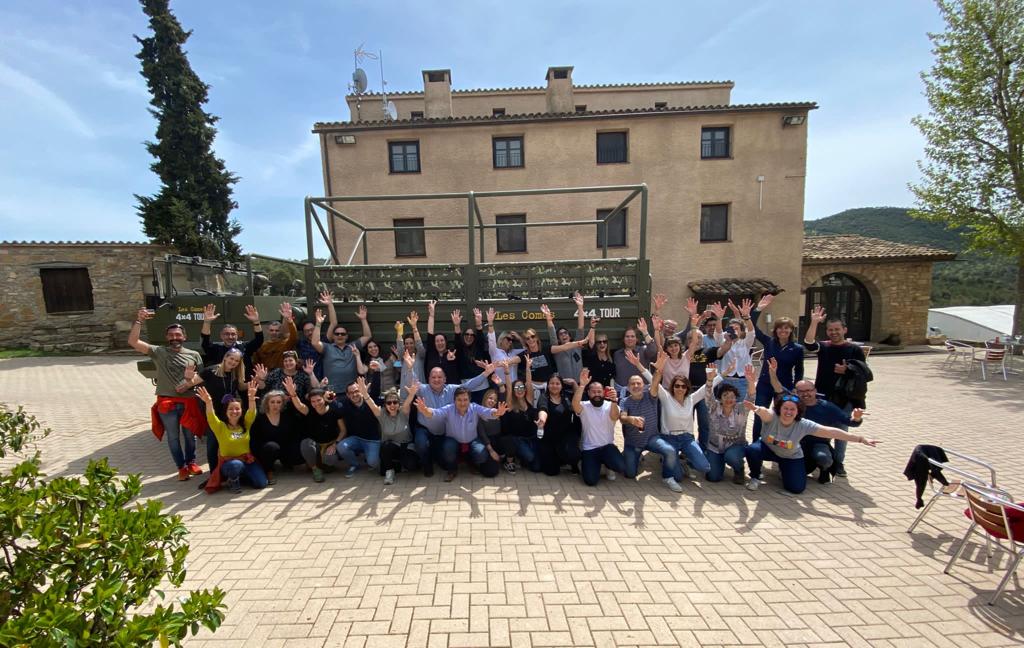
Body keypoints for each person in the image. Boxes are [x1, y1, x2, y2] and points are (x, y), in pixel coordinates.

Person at [743, 393, 879, 494]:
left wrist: (861, 439)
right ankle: (755, 477)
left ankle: (786, 472)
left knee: (796, 489)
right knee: (752, 450)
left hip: (791, 456)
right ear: (779, 409)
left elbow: (832, 432)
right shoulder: (772, 417)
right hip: (768, 449)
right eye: (785, 408)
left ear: (798, 411)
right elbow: (764, 412)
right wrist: (755, 408)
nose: (788, 412)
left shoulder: (804, 424)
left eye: (792, 409)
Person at [129, 308, 205, 481]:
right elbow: (134, 341)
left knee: (190, 435)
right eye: (171, 335)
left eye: (178, 335)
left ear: (184, 337)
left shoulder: (194, 355)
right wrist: (139, 320)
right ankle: (181, 468)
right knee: (173, 437)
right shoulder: (159, 352)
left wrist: (188, 382)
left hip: (188, 401)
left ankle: (191, 462)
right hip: (167, 403)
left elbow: (201, 377)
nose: (174, 338)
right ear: (167, 337)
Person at [802, 305, 869, 477]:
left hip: (844, 398)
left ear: (844, 329)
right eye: (830, 329)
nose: (834, 332)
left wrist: (846, 371)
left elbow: (864, 373)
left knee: (841, 431)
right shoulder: (824, 347)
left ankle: (838, 463)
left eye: (837, 329)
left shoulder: (854, 349)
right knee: (819, 428)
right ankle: (821, 457)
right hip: (822, 397)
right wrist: (814, 322)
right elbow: (809, 344)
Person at [411, 362, 497, 477]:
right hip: (425, 428)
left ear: (445, 379)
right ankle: (427, 465)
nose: (437, 380)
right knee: (421, 443)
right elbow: (412, 382)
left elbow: (469, 385)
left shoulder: (452, 390)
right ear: (429, 378)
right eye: (434, 377)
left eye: (440, 377)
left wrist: (486, 373)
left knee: (446, 459)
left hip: (443, 432)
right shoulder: (423, 389)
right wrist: (410, 367)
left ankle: (465, 463)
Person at [619, 350, 682, 492]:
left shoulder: (650, 396)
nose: (636, 386)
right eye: (633, 384)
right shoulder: (625, 401)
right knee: (629, 474)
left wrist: (659, 369)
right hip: (633, 442)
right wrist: (631, 419)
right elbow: (622, 418)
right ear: (628, 387)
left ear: (643, 385)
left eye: (639, 383)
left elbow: (655, 382)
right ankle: (636, 456)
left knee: (670, 451)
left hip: (652, 438)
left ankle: (668, 477)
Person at [414, 387, 509, 481]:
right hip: (453, 441)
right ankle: (452, 469)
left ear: (470, 400)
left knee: (481, 453)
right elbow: (435, 413)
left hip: (472, 440)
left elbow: (488, 412)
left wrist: (497, 413)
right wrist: (425, 410)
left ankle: (471, 463)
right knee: (448, 448)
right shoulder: (449, 409)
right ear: (454, 400)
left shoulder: (475, 407)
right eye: (459, 400)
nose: (462, 403)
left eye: (465, 400)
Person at [649, 353, 713, 481]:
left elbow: (705, 388)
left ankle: (683, 462)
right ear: (672, 387)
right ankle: (672, 461)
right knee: (677, 477)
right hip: (669, 438)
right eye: (677, 385)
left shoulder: (691, 399)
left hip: (686, 438)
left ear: (687, 388)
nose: (680, 388)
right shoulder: (666, 397)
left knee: (705, 467)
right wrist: (659, 370)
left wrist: (712, 378)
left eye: (683, 386)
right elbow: (653, 380)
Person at [750, 293, 804, 441]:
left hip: (784, 387)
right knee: (760, 415)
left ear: (791, 331)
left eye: (787, 329)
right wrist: (758, 309)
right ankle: (756, 445)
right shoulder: (769, 342)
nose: (783, 331)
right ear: (776, 330)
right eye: (780, 328)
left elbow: (799, 370)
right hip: (765, 385)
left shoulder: (797, 349)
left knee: (782, 417)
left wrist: (796, 387)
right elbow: (753, 328)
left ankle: (778, 445)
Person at [195, 383, 268, 493]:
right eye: (231, 409)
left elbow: (252, 412)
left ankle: (243, 477)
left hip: (247, 461)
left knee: (261, 483)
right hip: (229, 464)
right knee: (235, 465)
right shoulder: (220, 427)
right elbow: (211, 416)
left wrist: (251, 399)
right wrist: (208, 403)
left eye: (237, 409)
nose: (234, 411)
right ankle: (233, 481)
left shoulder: (246, 424)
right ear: (226, 411)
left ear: (241, 411)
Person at [184, 347, 249, 470]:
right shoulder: (210, 371)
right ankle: (213, 475)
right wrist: (188, 378)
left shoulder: (236, 373)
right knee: (212, 446)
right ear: (225, 357)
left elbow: (240, 387)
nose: (233, 362)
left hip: (231, 415)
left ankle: (231, 471)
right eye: (231, 358)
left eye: (237, 361)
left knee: (231, 444)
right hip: (214, 414)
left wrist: (256, 381)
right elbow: (190, 384)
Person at [572, 368, 626, 486]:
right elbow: (575, 405)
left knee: (621, 466)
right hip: (589, 449)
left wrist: (614, 401)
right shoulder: (584, 406)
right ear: (588, 393)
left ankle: (608, 465)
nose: (597, 394)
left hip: (608, 447)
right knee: (590, 481)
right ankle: (589, 464)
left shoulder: (610, 405)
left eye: (599, 391)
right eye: (593, 391)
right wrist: (582, 385)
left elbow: (614, 417)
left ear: (603, 393)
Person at [705, 363, 757, 484]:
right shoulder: (714, 407)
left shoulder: (742, 408)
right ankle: (717, 461)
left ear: (736, 398)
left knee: (731, 456)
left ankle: (739, 468)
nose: (729, 399)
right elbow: (708, 395)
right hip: (715, 447)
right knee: (713, 477)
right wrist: (709, 380)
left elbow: (751, 397)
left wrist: (750, 382)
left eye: (732, 396)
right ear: (720, 398)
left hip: (735, 447)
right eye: (725, 396)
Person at [310, 304, 373, 393]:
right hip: (332, 391)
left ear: (347, 336)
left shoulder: (353, 346)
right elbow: (315, 342)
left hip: (352, 392)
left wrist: (363, 319)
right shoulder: (327, 347)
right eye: (337, 334)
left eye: (343, 334)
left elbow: (367, 336)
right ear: (333, 336)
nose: (340, 335)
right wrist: (318, 324)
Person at [497, 357, 546, 473]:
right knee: (530, 457)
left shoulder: (528, 399)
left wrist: (528, 368)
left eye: (521, 387)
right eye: (517, 388)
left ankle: (522, 459)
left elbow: (529, 382)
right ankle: (515, 456)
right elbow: (509, 387)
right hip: (518, 439)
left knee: (537, 467)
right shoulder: (511, 403)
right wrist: (507, 372)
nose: (519, 390)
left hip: (531, 438)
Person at [249, 386, 305, 484]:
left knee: (298, 451)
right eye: (272, 402)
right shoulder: (259, 418)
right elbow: (254, 440)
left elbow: (296, 433)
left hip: (284, 448)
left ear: (282, 404)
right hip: (266, 450)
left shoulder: (288, 416)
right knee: (271, 447)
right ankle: (269, 470)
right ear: (267, 403)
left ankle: (287, 463)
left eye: (279, 402)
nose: (275, 405)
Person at [289, 388, 345, 482]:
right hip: (315, 445)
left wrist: (335, 444)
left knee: (330, 460)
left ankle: (322, 465)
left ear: (324, 398)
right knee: (305, 443)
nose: (316, 403)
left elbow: (343, 430)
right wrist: (293, 394)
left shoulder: (334, 410)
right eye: (313, 401)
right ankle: (315, 469)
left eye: (319, 400)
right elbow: (299, 406)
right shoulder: (309, 411)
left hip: (329, 444)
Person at [370, 385, 421, 485]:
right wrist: (364, 394)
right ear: (385, 404)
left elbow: (408, 402)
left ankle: (399, 466)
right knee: (386, 447)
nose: (392, 405)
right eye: (389, 403)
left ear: (399, 403)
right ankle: (390, 471)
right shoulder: (382, 414)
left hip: (406, 447)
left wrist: (411, 394)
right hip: (391, 449)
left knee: (412, 465)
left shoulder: (404, 412)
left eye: (395, 402)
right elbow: (371, 404)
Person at [336, 378, 383, 477]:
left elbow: (377, 391)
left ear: (362, 391)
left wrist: (377, 372)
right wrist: (328, 400)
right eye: (351, 392)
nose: (354, 394)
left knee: (373, 463)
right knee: (341, 447)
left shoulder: (370, 401)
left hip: (372, 440)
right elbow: (333, 406)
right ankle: (354, 464)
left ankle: (369, 456)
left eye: (357, 391)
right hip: (356, 439)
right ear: (347, 395)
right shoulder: (344, 404)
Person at [535, 374, 581, 476]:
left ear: (561, 385)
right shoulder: (544, 397)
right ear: (548, 385)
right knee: (552, 472)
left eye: (557, 383)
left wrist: (574, 383)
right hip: (549, 437)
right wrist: (542, 420)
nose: (554, 386)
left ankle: (573, 463)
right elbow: (543, 409)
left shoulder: (567, 396)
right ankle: (559, 458)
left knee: (572, 453)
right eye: (552, 383)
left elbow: (579, 399)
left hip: (566, 434)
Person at [716, 299, 757, 402]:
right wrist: (719, 318)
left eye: (737, 328)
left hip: (742, 380)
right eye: (731, 328)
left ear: (741, 331)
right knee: (724, 409)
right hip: (725, 380)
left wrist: (747, 317)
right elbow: (718, 332)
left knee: (740, 410)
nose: (734, 330)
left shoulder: (745, 342)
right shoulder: (723, 342)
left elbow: (751, 332)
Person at [547, 293, 592, 386]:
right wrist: (549, 319)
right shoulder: (558, 350)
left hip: (580, 385)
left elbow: (581, 327)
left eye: (565, 333)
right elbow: (552, 334)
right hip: (564, 387)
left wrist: (580, 307)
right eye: (560, 334)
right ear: (558, 338)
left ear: (569, 336)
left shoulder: (577, 345)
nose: (564, 335)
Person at [200, 303, 264, 367]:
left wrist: (256, 322)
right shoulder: (216, 349)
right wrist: (207, 322)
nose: (230, 337)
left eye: (233, 334)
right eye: (227, 334)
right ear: (221, 336)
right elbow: (205, 341)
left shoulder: (245, 347)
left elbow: (259, 340)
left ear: (237, 336)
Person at [251, 302, 298, 370]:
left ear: (280, 331)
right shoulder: (261, 346)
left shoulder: (285, 344)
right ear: (267, 330)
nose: (274, 332)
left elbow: (294, 337)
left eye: (277, 330)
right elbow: (256, 363)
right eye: (272, 330)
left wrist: (290, 321)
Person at [424, 300, 461, 384]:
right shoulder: (431, 353)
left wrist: (457, 325)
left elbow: (458, 340)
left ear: (446, 342)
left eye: (442, 340)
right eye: (437, 341)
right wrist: (431, 315)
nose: (440, 343)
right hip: (433, 390)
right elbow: (430, 334)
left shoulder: (452, 353)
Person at [486, 308, 526, 383]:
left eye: (512, 340)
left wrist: (520, 339)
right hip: (501, 386)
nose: (510, 342)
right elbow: (491, 339)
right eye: (508, 339)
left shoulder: (513, 352)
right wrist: (490, 323)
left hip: (514, 387)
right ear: (501, 339)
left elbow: (527, 351)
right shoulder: (494, 351)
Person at [476, 389, 510, 475]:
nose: (492, 401)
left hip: (497, 440)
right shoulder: (479, 412)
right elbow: (482, 434)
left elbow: (502, 398)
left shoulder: (497, 411)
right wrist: (491, 451)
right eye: (490, 398)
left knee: (509, 440)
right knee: (491, 472)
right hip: (486, 442)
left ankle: (505, 460)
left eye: (495, 400)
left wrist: (501, 385)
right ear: (485, 398)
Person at [453, 308, 490, 382]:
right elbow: (457, 338)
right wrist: (457, 325)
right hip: (466, 384)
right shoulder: (460, 349)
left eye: (472, 335)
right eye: (467, 334)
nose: (469, 337)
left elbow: (480, 337)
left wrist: (479, 324)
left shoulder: (478, 347)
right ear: (463, 336)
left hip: (481, 383)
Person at [613, 324, 649, 388]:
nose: (630, 339)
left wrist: (645, 332)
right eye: (627, 336)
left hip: (641, 392)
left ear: (637, 339)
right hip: (622, 393)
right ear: (623, 339)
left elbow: (654, 350)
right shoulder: (617, 354)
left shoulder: (643, 351)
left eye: (632, 336)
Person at [363, 338, 398, 403]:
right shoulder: (367, 361)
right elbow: (361, 371)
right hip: (374, 394)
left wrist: (397, 358)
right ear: (367, 350)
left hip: (390, 393)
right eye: (370, 347)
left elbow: (399, 369)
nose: (373, 349)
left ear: (378, 347)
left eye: (375, 346)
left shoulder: (389, 356)